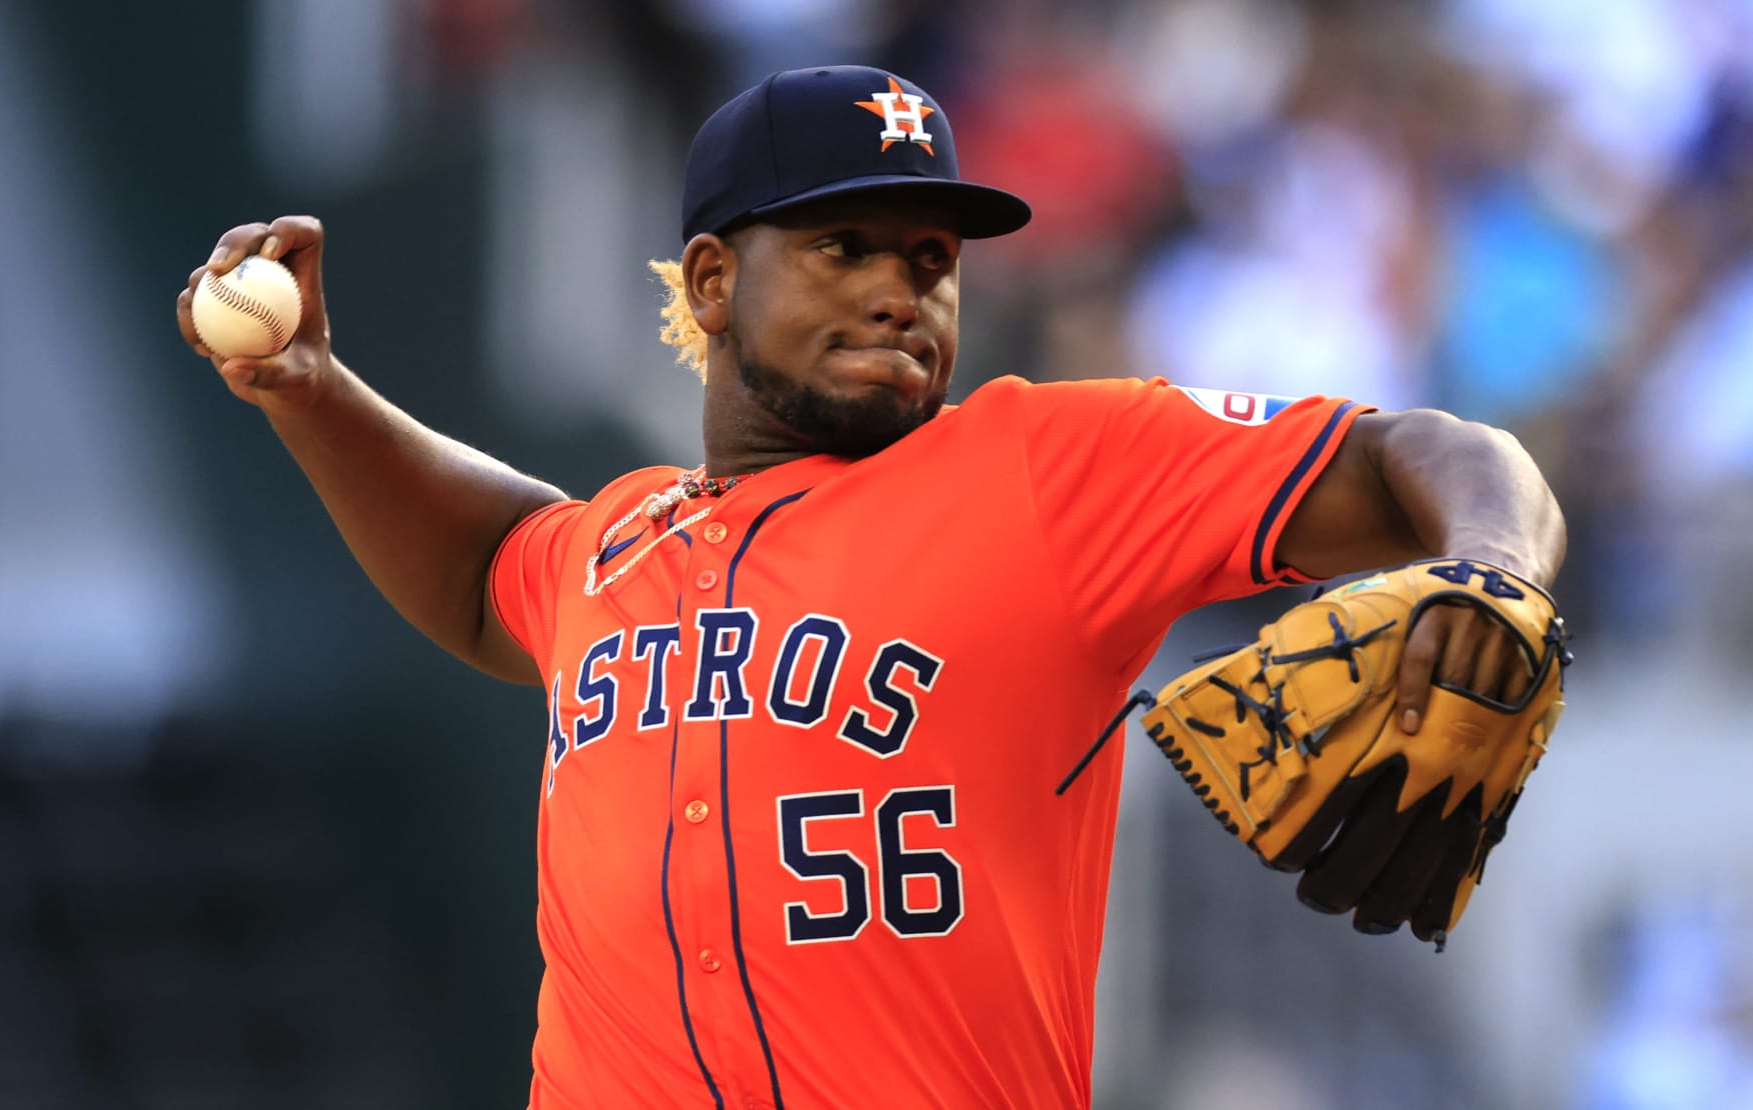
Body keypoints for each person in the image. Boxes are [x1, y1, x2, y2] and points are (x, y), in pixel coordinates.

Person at [176, 65, 1564, 1110]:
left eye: (932, 259)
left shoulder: (1041, 468)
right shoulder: (613, 546)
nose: (905, 290)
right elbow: (488, 570)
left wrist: (1495, 566)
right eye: (846, 247)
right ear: (712, 280)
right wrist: (306, 387)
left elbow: (1424, 454)